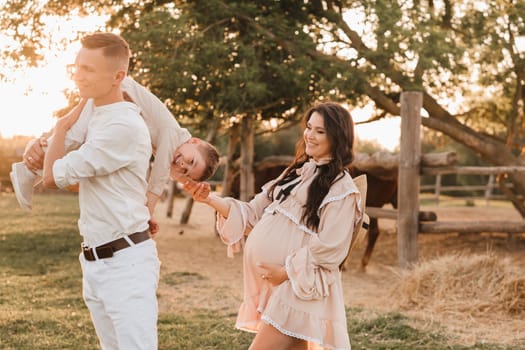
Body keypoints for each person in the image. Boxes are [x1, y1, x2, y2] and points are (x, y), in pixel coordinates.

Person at [183, 102, 369, 350]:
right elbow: (252, 213)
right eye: (308, 127)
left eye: (320, 131)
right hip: (287, 287)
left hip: (299, 288)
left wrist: (285, 273)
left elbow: (331, 248)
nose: (309, 135)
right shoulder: (295, 174)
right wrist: (209, 199)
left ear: (338, 137)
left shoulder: (341, 189)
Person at [41, 32, 160, 350]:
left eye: (89, 69)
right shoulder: (99, 114)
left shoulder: (121, 126)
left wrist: (61, 129)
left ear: (118, 76)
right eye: (77, 67)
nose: (78, 76)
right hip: (96, 260)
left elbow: (51, 177)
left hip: (125, 265)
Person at [10, 76, 220, 232]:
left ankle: (30, 167)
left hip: (117, 101)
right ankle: (29, 170)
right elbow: (159, 176)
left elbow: (172, 174)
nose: (182, 164)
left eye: (186, 170)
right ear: (194, 141)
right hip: (116, 92)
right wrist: (147, 213)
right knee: (74, 133)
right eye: (191, 161)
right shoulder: (174, 134)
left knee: (77, 136)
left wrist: (191, 183)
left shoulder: (176, 148)